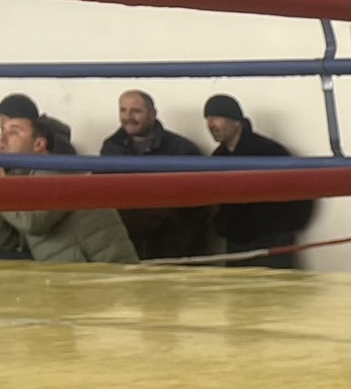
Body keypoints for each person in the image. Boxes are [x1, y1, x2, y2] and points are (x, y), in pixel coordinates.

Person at [0, 113, 139, 264]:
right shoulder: (21, 178)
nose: (3, 138)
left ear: (39, 144)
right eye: (2, 131)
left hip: (102, 268)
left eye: (14, 132)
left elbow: (33, 223)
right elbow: (11, 242)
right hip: (79, 271)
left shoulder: (56, 170)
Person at [204, 94, 316, 268]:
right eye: (208, 118)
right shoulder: (218, 158)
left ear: (236, 121)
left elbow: (301, 193)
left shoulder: (269, 152)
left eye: (217, 117)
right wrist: (223, 226)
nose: (211, 124)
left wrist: (281, 230)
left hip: (270, 244)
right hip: (237, 244)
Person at [101, 89, 212, 260]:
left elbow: (198, 209)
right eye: (123, 110)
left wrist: (176, 246)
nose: (128, 117)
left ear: (153, 114)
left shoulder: (181, 150)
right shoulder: (111, 148)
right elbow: (101, 194)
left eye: (136, 111)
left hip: (171, 252)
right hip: (124, 247)